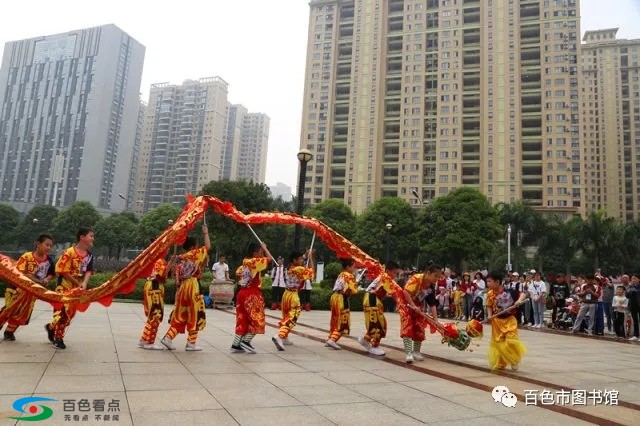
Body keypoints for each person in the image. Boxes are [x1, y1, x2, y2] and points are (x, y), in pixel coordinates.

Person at [160, 222, 211, 351]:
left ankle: (168, 337)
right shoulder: (195, 254)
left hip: (182, 288)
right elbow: (208, 246)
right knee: (195, 314)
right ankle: (191, 343)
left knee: (181, 314)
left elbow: (171, 271)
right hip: (193, 285)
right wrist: (206, 232)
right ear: (193, 246)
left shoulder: (180, 257)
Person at [44, 227, 94, 349]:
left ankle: (51, 328)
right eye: (91, 236)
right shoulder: (69, 252)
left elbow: (89, 271)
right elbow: (62, 270)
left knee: (70, 314)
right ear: (82, 237)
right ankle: (58, 339)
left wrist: (85, 283)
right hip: (64, 287)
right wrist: (77, 282)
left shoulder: (89, 255)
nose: (93, 238)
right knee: (62, 313)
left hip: (76, 290)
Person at [1, 234, 55, 341]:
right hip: (17, 290)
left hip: (31, 294)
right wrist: (38, 281)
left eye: (50, 246)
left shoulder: (48, 261)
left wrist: (47, 279)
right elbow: (20, 273)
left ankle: (9, 332)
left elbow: (51, 274)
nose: (49, 248)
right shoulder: (27, 257)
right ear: (38, 244)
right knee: (9, 309)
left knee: (23, 313)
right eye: (46, 245)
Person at [232, 241, 274, 353]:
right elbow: (269, 259)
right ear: (255, 252)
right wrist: (265, 248)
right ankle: (245, 341)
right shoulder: (254, 261)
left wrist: (263, 249)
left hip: (242, 293)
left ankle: (236, 344)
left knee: (242, 319)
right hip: (251, 294)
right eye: (260, 251)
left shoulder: (244, 262)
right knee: (258, 320)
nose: (262, 253)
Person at [397, 264, 443, 363]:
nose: (437, 279)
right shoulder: (416, 278)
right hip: (406, 305)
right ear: (428, 273)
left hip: (418, 306)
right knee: (407, 327)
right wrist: (413, 305)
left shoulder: (431, 285)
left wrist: (436, 320)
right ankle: (409, 353)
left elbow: (432, 303)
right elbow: (406, 292)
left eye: (439, 277)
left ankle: (416, 352)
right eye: (436, 276)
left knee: (419, 327)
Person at [357, 260, 403, 356]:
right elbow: (394, 294)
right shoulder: (386, 277)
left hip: (370, 299)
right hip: (372, 300)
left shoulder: (383, 276)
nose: (395, 275)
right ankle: (374, 346)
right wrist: (401, 304)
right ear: (388, 270)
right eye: (394, 273)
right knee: (380, 325)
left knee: (376, 323)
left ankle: (366, 340)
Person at [272, 250, 314, 351]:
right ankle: (280, 336)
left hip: (286, 295)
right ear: (294, 260)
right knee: (292, 317)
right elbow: (312, 272)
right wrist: (311, 258)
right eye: (300, 259)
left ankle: (285, 338)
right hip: (293, 296)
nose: (301, 261)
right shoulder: (298, 269)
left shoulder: (288, 268)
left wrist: (306, 256)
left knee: (286, 316)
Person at [486, 271, 527, 371]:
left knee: (511, 341)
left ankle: (514, 360)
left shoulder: (509, 291)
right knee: (499, 344)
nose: (488, 284)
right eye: (487, 281)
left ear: (497, 282)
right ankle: (501, 362)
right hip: (497, 322)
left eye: (489, 281)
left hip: (510, 320)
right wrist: (489, 316)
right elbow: (489, 306)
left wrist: (518, 301)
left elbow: (523, 294)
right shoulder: (490, 294)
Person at [138, 255, 175, 350]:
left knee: (152, 315)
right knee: (156, 316)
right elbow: (161, 274)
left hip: (153, 287)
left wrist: (170, 263)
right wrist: (170, 263)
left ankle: (144, 339)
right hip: (155, 287)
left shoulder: (155, 259)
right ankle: (149, 342)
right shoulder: (159, 260)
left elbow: (166, 274)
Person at [325, 258, 358, 350]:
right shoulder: (349, 276)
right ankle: (333, 339)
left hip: (334, 297)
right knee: (344, 321)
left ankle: (330, 337)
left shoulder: (341, 274)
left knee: (334, 319)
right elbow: (353, 291)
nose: (354, 268)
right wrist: (355, 283)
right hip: (342, 298)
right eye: (353, 266)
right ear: (348, 266)